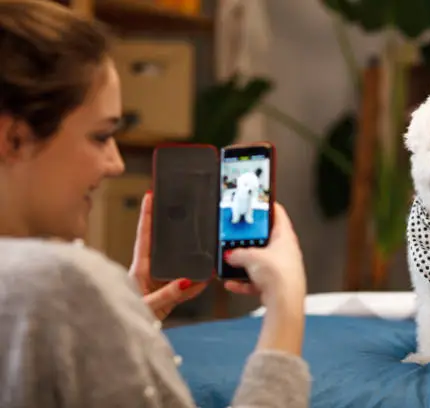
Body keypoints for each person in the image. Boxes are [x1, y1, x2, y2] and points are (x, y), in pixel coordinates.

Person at [0, 1, 311, 407]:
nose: (114, 163)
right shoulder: (60, 282)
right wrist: (287, 303)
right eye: (99, 136)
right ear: (13, 139)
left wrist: (118, 327)